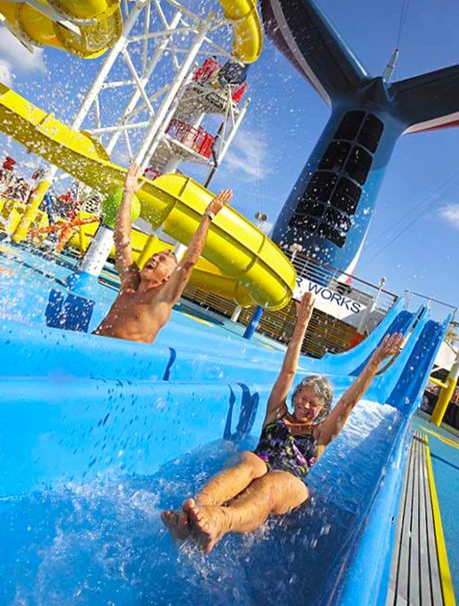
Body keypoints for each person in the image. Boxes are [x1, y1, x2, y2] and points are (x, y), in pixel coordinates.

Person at [162, 292, 404, 553]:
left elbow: (348, 403)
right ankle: (194, 512)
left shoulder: (320, 435)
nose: (305, 405)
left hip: (290, 485)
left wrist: (375, 361)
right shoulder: (277, 413)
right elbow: (288, 371)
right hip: (261, 465)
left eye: (314, 404)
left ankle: (220, 521)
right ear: (296, 395)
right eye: (303, 397)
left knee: (271, 481)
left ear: (323, 410)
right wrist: (300, 326)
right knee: (250, 462)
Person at [94, 163, 232, 343]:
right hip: (92, 346)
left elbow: (189, 262)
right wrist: (128, 192)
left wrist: (208, 216)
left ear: (168, 278)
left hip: (118, 365)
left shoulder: (162, 299)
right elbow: (121, 239)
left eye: (162, 259)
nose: (154, 258)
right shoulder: (130, 282)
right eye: (155, 255)